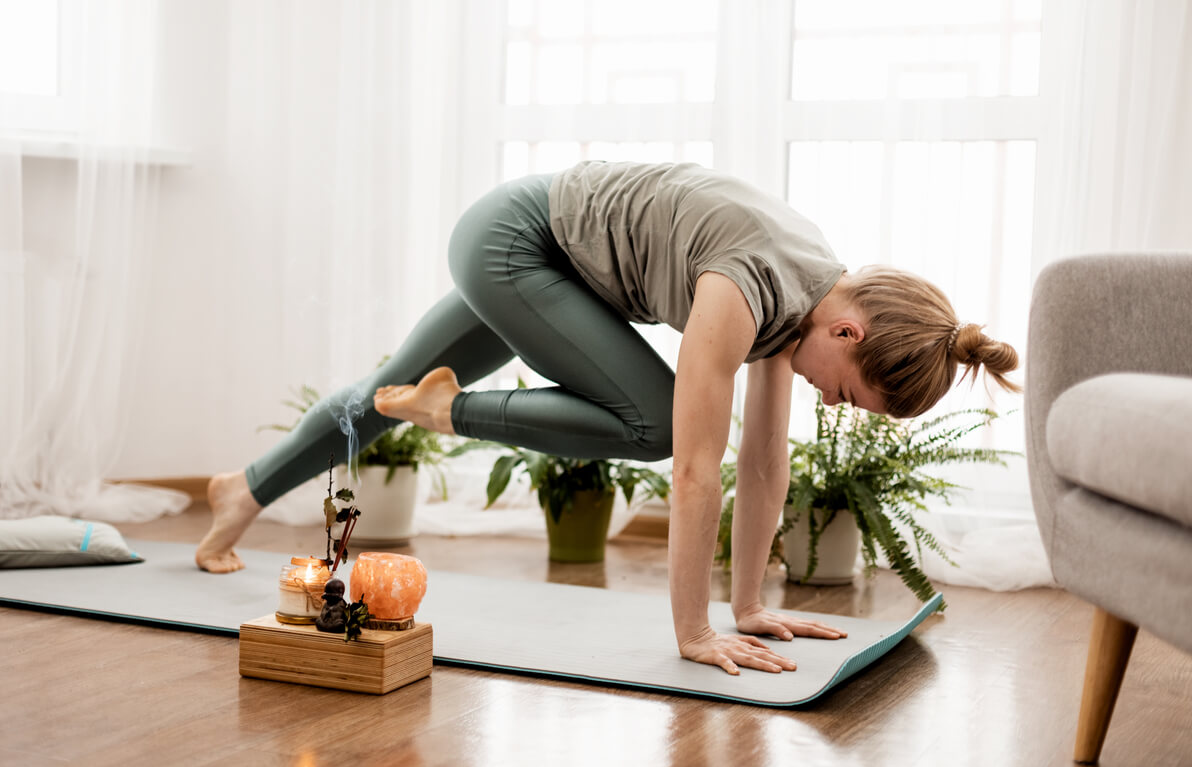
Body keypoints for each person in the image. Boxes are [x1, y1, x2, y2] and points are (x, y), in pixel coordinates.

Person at [196, 161, 1019, 675]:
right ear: (850, 332)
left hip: (558, 262)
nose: (827, 402)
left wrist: (749, 609)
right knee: (659, 425)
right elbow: (697, 467)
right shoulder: (750, 286)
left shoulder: (804, 303)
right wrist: (695, 631)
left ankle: (247, 488)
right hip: (517, 241)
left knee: (387, 388)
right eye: (844, 392)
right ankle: (452, 410)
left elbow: (767, 463)